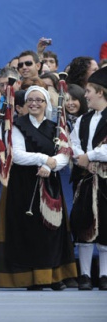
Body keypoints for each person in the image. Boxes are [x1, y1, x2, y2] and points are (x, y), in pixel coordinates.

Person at [0, 86, 77, 289]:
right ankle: (32, 278)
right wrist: (44, 160)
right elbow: (18, 154)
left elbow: (65, 154)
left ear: (46, 104)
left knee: (51, 231)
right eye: (30, 99)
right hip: (22, 185)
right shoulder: (16, 125)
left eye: (39, 100)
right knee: (27, 232)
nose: (34, 103)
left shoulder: (56, 127)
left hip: (49, 182)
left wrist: (50, 167)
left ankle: (53, 277)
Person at [69, 67, 107, 291]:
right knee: (83, 225)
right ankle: (84, 274)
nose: (86, 95)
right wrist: (78, 155)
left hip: (104, 182)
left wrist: (89, 155)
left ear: (101, 92)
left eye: (89, 90)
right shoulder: (82, 119)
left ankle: (103, 275)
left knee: (106, 228)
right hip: (84, 180)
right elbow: (74, 143)